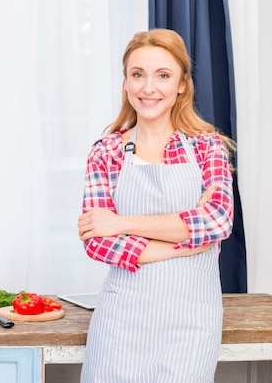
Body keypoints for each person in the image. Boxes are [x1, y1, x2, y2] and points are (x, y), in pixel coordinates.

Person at [77, 29, 235, 382]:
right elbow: (98, 241)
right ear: (126, 82)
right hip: (120, 323)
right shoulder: (106, 152)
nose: (148, 88)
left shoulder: (207, 148)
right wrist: (188, 242)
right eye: (138, 75)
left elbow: (217, 222)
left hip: (191, 325)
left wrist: (120, 223)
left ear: (181, 83)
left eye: (163, 75)